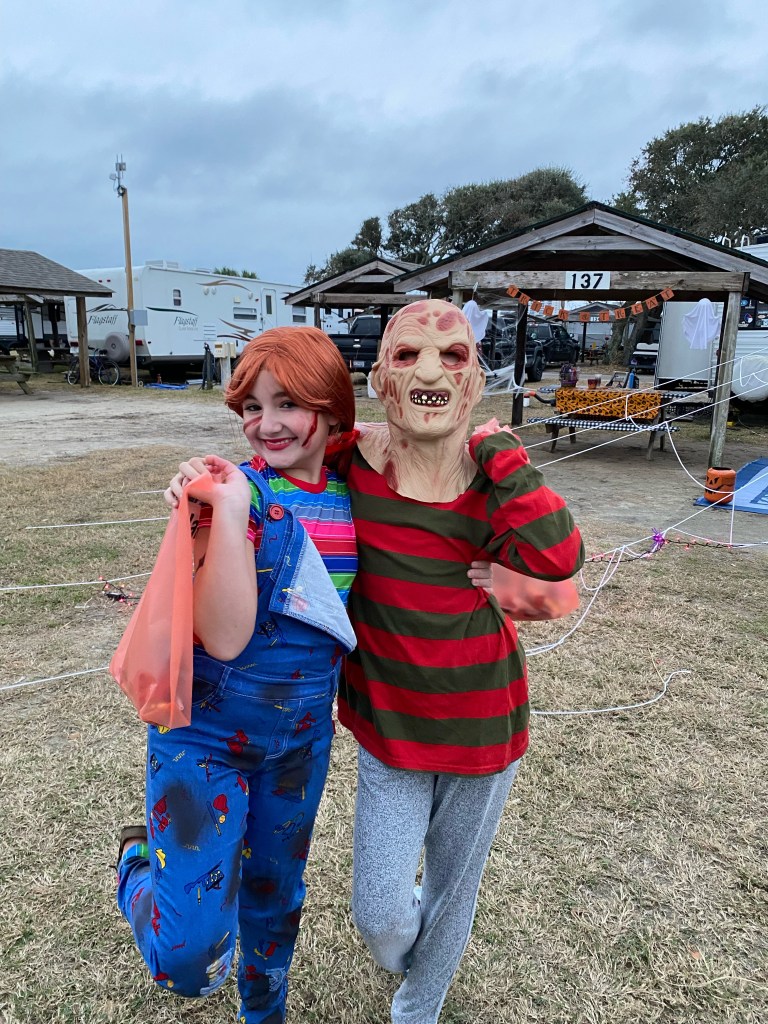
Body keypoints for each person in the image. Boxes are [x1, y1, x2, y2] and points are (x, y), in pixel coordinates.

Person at [338, 298, 584, 1024]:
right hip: (389, 726)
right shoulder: (350, 460)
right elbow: (275, 460)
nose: (429, 372)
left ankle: (419, 1006)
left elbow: (559, 557)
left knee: (454, 891)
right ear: (380, 376)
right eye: (407, 354)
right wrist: (207, 482)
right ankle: (413, 952)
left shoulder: (491, 480)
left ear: (475, 381)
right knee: (379, 912)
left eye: (453, 356)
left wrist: (504, 456)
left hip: (482, 727)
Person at [115, 326, 361, 1024]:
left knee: (274, 901)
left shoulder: (359, 488)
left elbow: (392, 441)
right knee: (190, 959)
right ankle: (135, 870)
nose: (267, 423)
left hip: (301, 743)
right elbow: (224, 637)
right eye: (253, 407)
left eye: (289, 403)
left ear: (331, 410)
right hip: (204, 740)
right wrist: (223, 511)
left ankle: (264, 1013)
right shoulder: (233, 495)